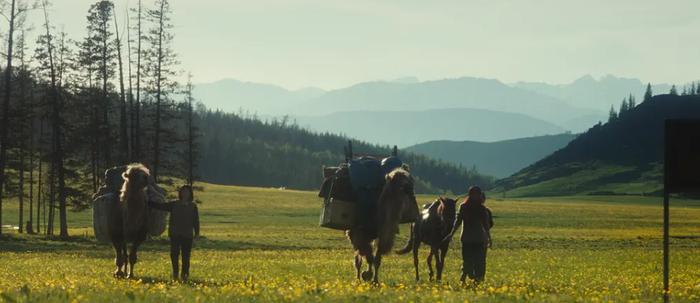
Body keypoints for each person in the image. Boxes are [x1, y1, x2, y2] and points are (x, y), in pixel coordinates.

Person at [149, 185, 200, 281]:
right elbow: (161, 206)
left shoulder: (193, 206)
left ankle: (185, 274)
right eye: (183, 191)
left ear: (190, 194)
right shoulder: (174, 204)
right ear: (180, 193)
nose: (185, 193)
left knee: (186, 256)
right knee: (174, 254)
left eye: (187, 192)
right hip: (175, 234)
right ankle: (175, 273)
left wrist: (197, 233)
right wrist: (148, 203)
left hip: (187, 235)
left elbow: (196, 220)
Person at [443, 186, 494, 283]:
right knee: (467, 261)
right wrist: (451, 234)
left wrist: (489, 238)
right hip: (467, 239)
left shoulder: (482, 209)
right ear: (470, 195)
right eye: (474, 194)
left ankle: (479, 280)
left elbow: (486, 225)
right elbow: (458, 221)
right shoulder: (463, 207)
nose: (475, 196)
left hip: (479, 239)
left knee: (480, 262)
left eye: (477, 194)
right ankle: (471, 275)